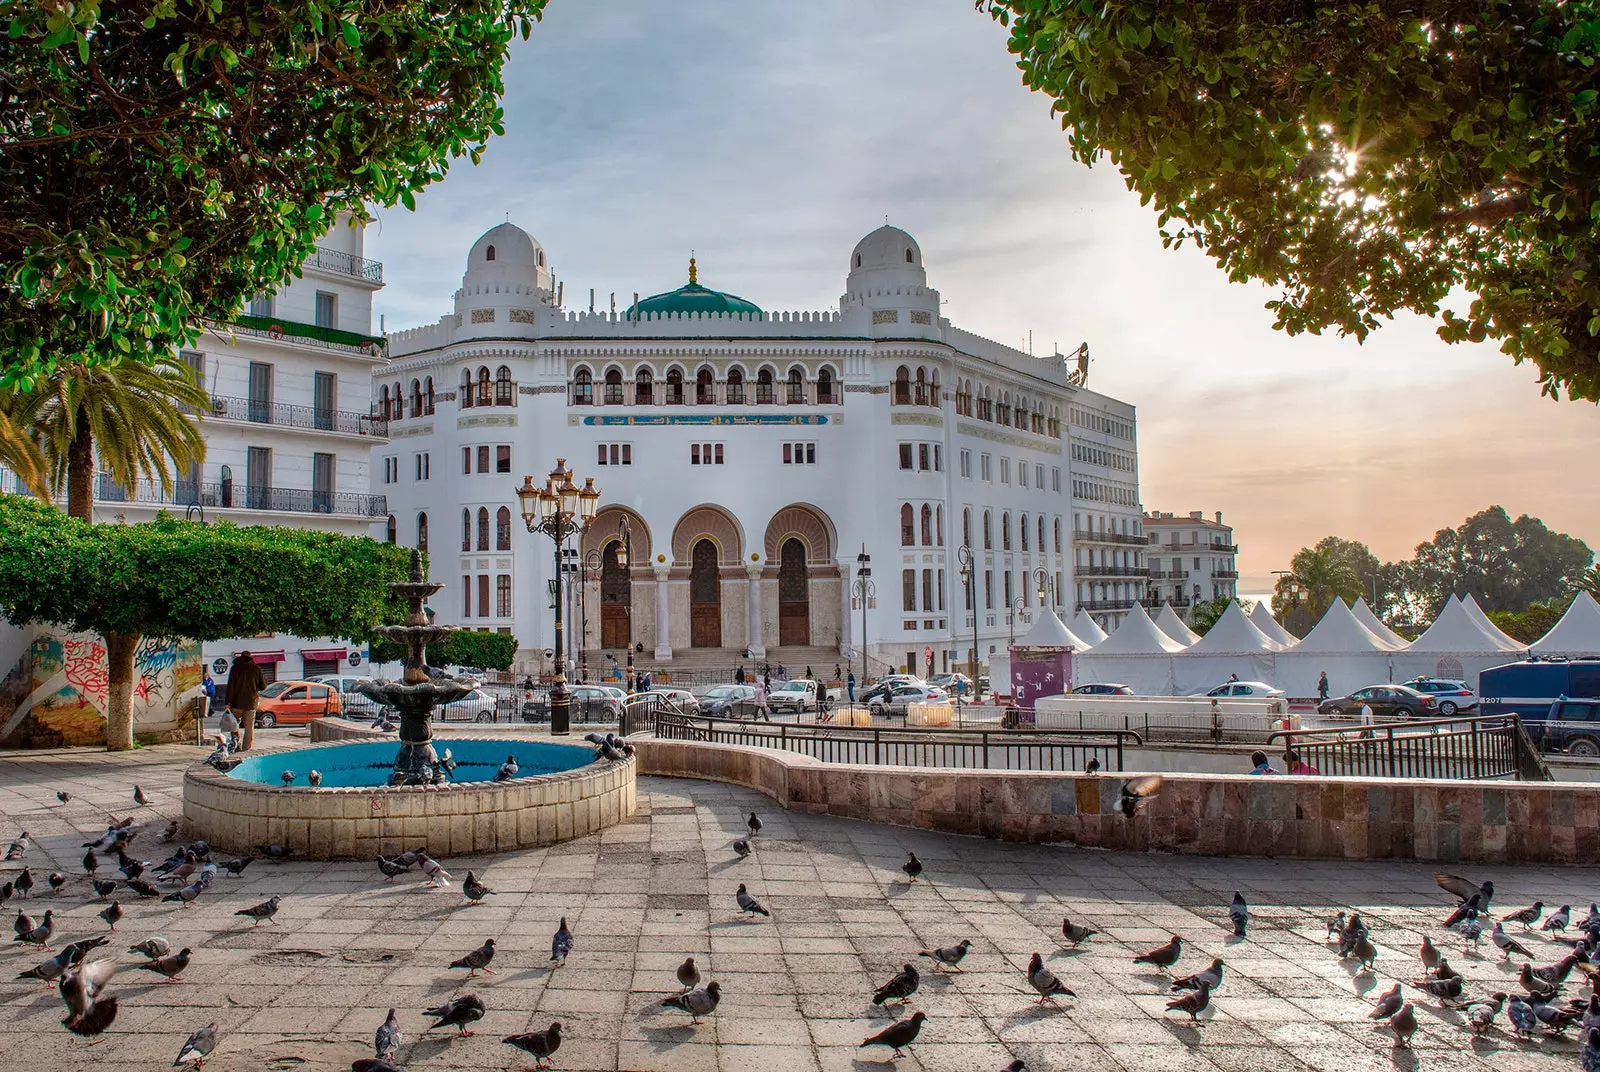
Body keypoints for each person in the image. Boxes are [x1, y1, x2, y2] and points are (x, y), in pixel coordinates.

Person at [224, 651, 265, 751]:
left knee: (234, 725)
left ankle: (236, 745)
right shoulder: (256, 669)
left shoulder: (235, 668)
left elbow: (231, 686)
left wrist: (227, 702)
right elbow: (263, 686)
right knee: (249, 727)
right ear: (250, 658)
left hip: (236, 703)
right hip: (251, 703)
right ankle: (246, 748)